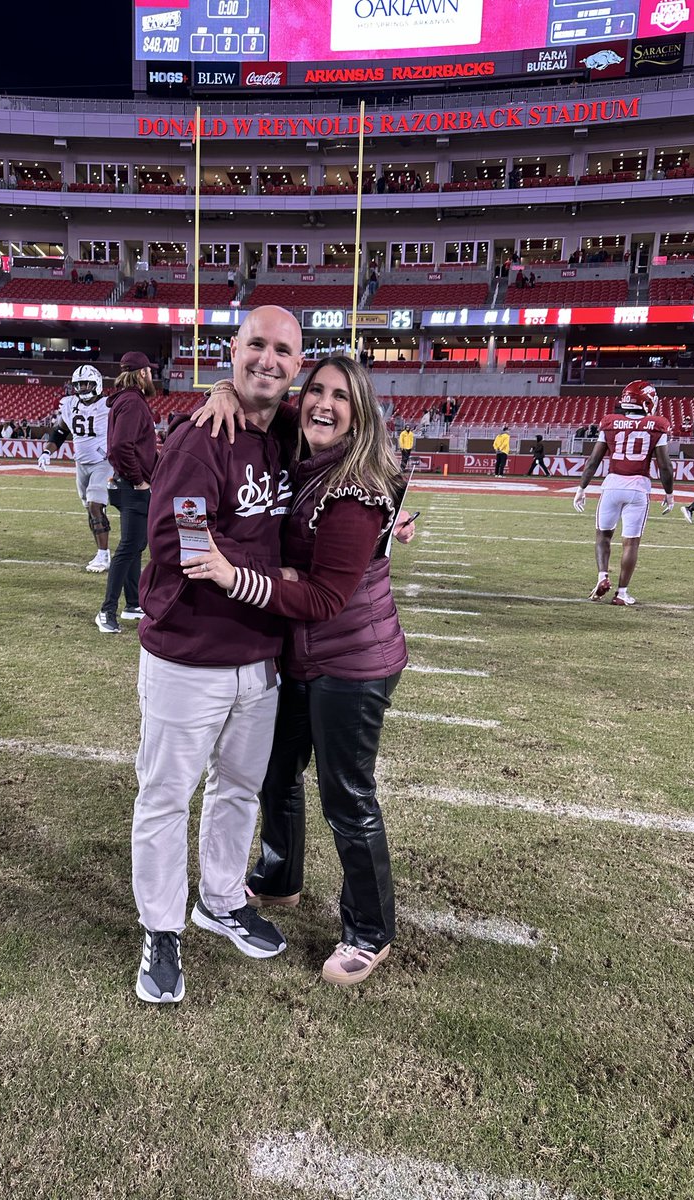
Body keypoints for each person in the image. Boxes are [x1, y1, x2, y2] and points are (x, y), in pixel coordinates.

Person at [184, 355, 410, 987]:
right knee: (276, 772)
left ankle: (370, 930)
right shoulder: (305, 444)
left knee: (347, 796)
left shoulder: (356, 488)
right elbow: (261, 400)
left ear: (360, 414)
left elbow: (324, 598)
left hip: (352, 661)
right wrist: (223, 388)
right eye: (316, 391)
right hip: (301, 654)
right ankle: (279, 877)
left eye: (340, 397)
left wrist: (237, 577)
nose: (323, 404)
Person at [129, 306, 305, 1005]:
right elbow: (180, 542)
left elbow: (353, 435)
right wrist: (275, 575)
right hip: (190, 654)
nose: (268, 359)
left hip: (259, 656)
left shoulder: (287, 430)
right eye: (256, 345)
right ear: (233, 350)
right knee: (166, 797)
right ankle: (161, 927)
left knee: (237, 790)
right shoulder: (201, 437)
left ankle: (222, 899)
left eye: (282, 350)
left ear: (297, 365)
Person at [574, 380, 674, 606]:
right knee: (631, 543)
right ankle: (622, 593)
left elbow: (593, 461)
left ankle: (602, 576)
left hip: (612, 485)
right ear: (647, 402)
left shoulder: (610, 422)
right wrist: (669, 493)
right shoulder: (657, 425)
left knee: (603, 536)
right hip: (638, 487)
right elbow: (665, 466)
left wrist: (582, 488)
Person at [95, 352, 158, 633]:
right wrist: (138, 480)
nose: (152, 376)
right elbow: (121, 446)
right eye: (150, 371)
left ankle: (132, 603)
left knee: (136, 544)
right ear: (142, 373)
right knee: (129, 547)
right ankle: (106, 611)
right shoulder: (132, 402)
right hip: (132, 486)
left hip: (127, 484)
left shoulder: (128, 400)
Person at [38, 364, 112, 573]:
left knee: (95, 505)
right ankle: (101, 552)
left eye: (86, 384)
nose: (82, 388)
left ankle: (103, 555)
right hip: (81, 464)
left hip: (103, 462)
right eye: (79, 385)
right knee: (91, 509)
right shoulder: (70, 404)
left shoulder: (109, 405)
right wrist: (47, 452)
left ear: (97, 383)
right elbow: (61, 431)